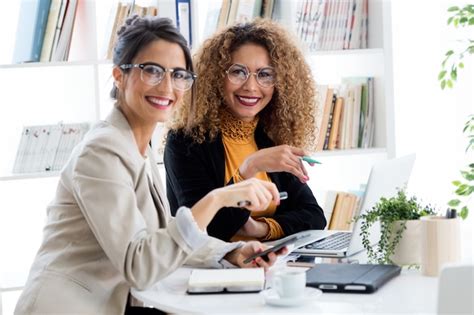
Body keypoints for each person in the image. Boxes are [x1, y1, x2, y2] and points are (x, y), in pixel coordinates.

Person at [15, 16, 286, 315]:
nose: (167, 87)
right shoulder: (101, 151)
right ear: (119, 76)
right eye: (152, 71)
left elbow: (161, 234)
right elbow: (139, 265)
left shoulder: (138, 144)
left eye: (179, 74)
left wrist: (233, 252)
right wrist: (219, 197)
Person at [165, 19, 326, 243]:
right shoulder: (186, 142)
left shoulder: (269, 136)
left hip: (269, 262)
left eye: (265, 74)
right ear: (215, 77)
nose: (251, 86)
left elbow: (314, 216)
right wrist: (250, 168)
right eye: (238, 72)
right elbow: (205, 229)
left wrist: (260, 229)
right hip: (212, 272)